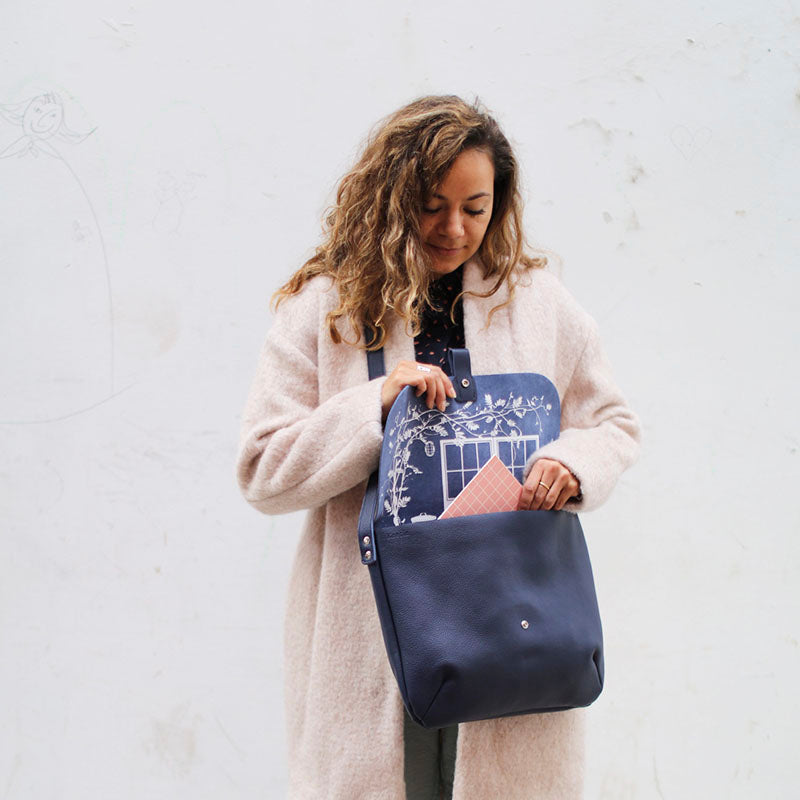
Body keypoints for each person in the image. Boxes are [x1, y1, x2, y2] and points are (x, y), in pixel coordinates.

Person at [236, 95, 641, 800]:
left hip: (512, 615)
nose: (455, 228)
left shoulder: (536, 301)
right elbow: (262, 468)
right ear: (391, 198)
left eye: (476, 207)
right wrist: (374, 406)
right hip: (379, 626)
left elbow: (611, 422)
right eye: (431, 204)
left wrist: (570, 465)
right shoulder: (326, 309)